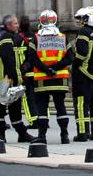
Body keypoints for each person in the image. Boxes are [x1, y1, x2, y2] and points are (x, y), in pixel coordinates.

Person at [26, 9, 72, 144]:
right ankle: (64, 135)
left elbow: (32, 58)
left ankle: (42, 136)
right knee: (60, 106)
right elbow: (70, 57)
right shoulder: (62, 37)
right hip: (59, 78)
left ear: (41, 21)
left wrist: (46, 69)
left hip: (42, 78)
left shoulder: (36, 38)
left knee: (42, 108)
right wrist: (55, 68)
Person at [0, 14, 33, 143]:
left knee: (11, 107)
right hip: (6, 80)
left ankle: (21, 133)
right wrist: (16, 78)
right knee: (2, 107)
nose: (18, 25)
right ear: (9, 25)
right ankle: (2, 135)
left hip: (1, 79)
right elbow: (8, 60)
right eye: (15, 23)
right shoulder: (6, 38)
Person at [70, 6, 93, 141]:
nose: (80, 21)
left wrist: (75, 65)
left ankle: (83, 133)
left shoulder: (83, 33)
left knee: (81, 104)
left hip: (83, 74)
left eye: (82, 19)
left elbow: (82, 53)